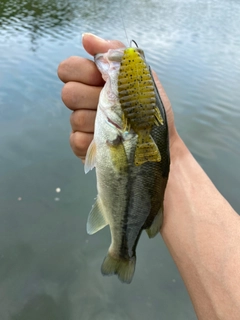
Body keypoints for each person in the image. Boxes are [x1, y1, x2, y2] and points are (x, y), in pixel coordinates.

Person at [58, 33, 240, 319]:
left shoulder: (132, 124)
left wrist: (171, 150)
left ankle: (122, 252)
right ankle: (123, 248)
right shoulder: (129, 123)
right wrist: (173, 154)